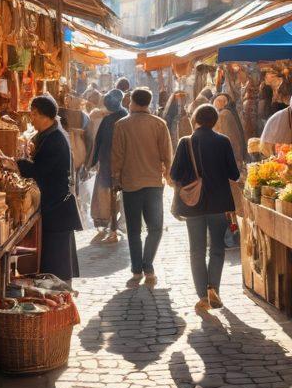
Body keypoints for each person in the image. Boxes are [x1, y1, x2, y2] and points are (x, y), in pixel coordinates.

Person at [170, 104, 241, 314]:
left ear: (195, 119)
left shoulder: (186, 142)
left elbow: (174, 174)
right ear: (215, 121)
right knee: (217, 248)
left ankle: (202, 295)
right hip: (219, 204)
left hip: (194, 205)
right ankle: (214, 289)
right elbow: (234, 174)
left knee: (197, 250)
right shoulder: (223, 141)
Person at [13, 94, 83, 282]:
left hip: (57, 208)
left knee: (56, 266)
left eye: (34, 114)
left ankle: (60, 301)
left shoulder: (55, 139)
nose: (32, 118)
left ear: (45, 116)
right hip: (56, 205)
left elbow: (39, 170)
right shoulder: (50, 135)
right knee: (56, 262)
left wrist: (14, 164)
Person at [112, 87, 173, 286]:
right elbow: (167, 155)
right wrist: (168, 176)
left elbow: (117, 155)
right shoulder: (159, 124)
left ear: (132, 102)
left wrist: (116, 178)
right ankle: (147, 265)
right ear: (147, 103)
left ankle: (137, 269)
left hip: (130, 184)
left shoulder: (122, 125)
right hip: (154, 184)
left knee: (134, 230)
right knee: (155, 228)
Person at [88, 89, 126, 244]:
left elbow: (98, 142)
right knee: (117, 194)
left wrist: (92, 162)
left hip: (108, 163)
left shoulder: (110, 119)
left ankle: (113, 225)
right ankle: (115, 224)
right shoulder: (124, 117)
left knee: (110, 194)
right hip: (119, 163)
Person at [212, 92, 245, 165]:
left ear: (222, 103)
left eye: (216, 102)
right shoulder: (227, 112)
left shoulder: (223, 115)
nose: (214, 104)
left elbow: (225, 137)